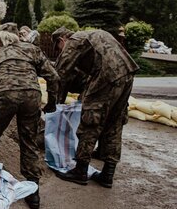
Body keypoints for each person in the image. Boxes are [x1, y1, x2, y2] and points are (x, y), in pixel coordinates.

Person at [0, 23, 59, 209]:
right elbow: (53, 77)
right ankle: (33, 194)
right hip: (31, 96)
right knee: (29, 142)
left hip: (4, 95)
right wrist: (52, 102)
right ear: (18, 37)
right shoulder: (33, 50)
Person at [52, 27, 139, 188]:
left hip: (107, 77)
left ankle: (80, 170)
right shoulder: (93, 35)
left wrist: (54, 103)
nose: (60, 51)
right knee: (114, 122)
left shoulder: (74, 41)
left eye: (58, 48)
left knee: (91, 120)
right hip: (127, 73)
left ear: (61, 40)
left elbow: (60, 74)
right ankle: (108, 174)